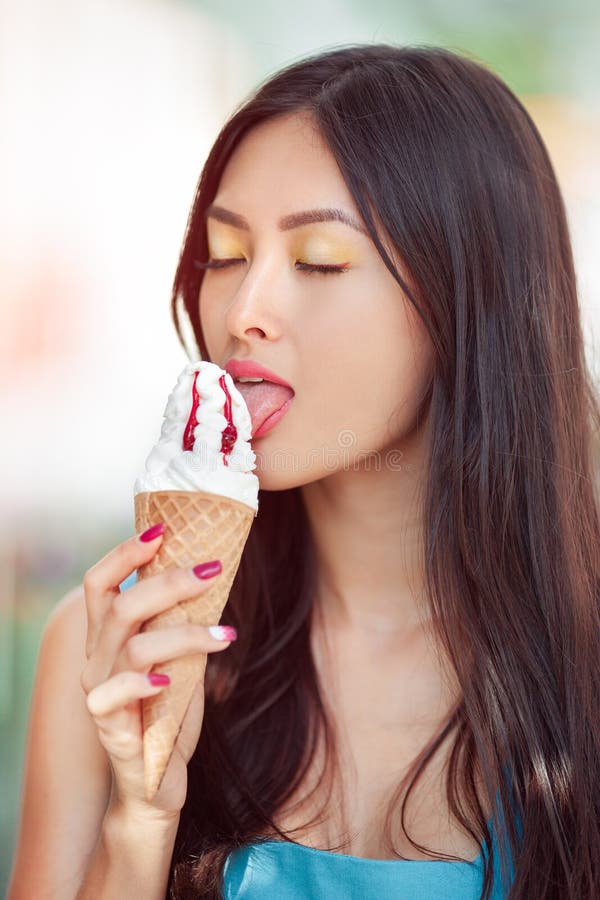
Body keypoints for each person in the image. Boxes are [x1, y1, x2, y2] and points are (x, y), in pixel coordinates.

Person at [8, 42, 600, 900]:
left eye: (319, 260)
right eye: (223, 254)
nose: (244, 313)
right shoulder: (117, 650)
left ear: (469, 298)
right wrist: (137, 825)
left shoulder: (578, 668)